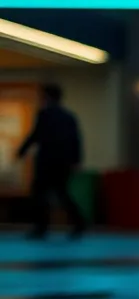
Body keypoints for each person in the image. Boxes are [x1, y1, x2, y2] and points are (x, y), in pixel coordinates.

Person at [17, 84, 87, 239]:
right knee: (62, 193)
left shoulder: (45, 115)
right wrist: (76, 160)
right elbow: (76, 140)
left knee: (40, 194)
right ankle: (79, 223)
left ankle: (41, 227)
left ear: (46, 97)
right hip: (63, 162)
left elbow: (35, 135)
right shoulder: (69, 117)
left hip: (46, 161)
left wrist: (22, 150)